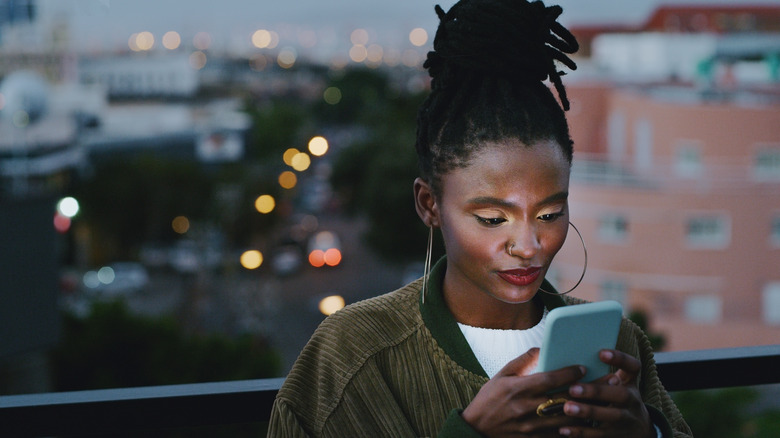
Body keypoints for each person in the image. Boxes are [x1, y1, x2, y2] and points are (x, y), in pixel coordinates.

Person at [268, 0, 692, 436]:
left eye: (550, 213)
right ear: (429, 204)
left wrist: (648, 433)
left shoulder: (617, 344)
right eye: (492, 218)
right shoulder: (353, 355)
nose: (528, 245)